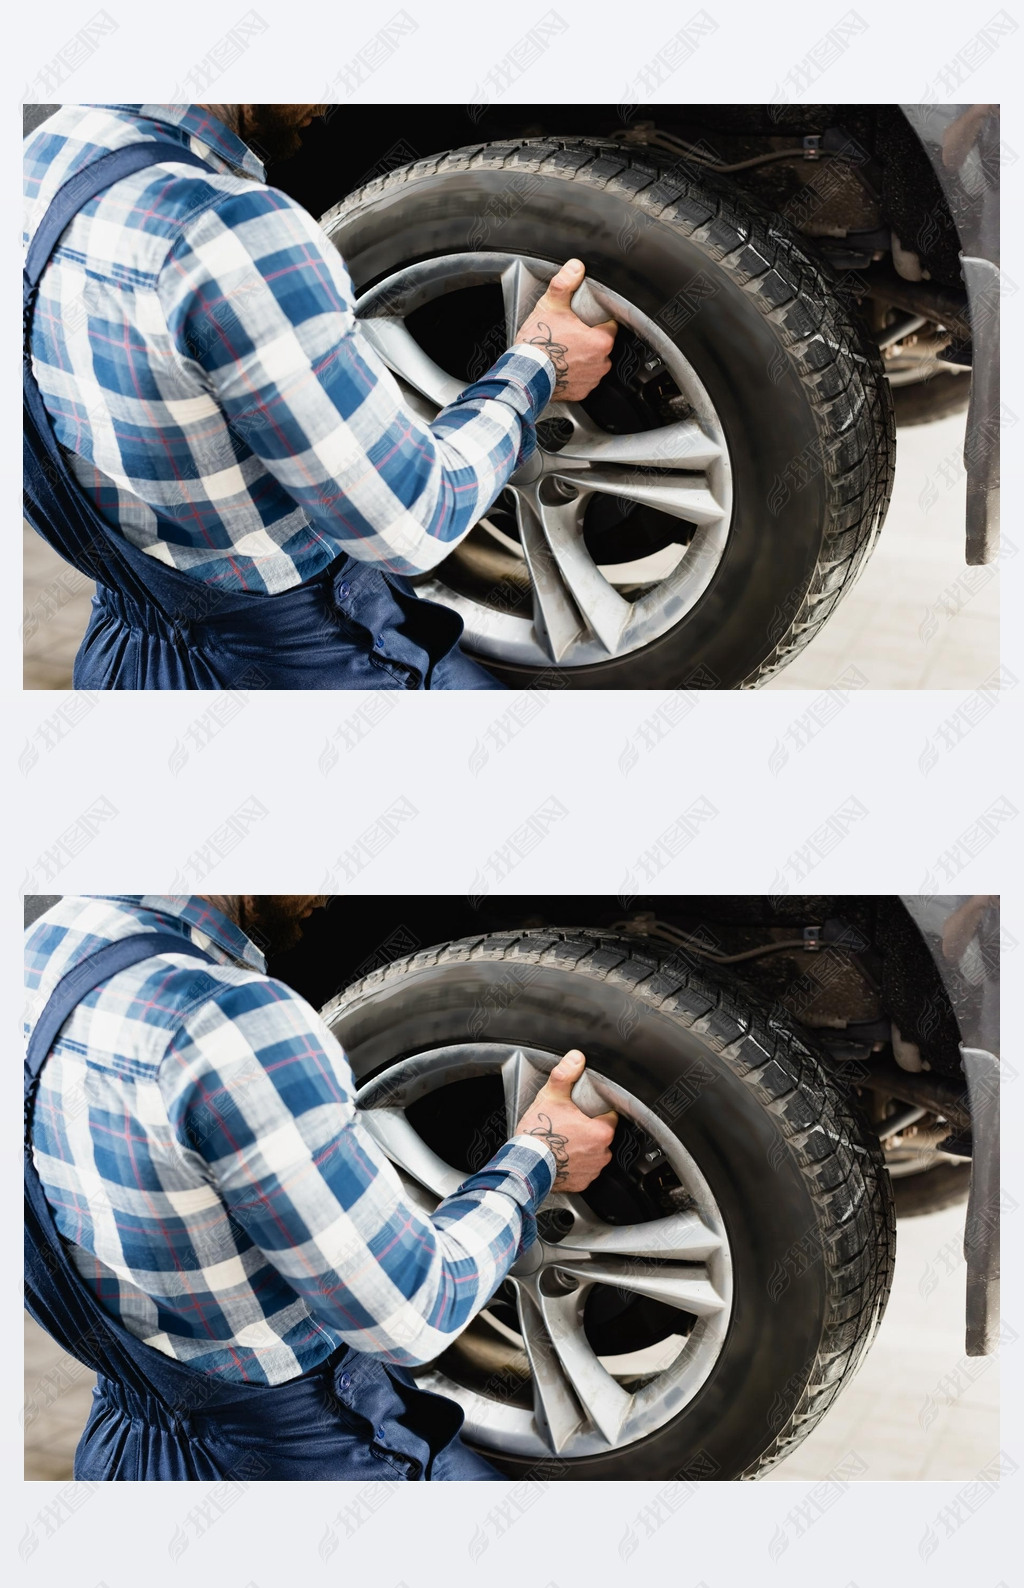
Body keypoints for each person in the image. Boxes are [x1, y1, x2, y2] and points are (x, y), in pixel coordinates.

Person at [23, 895, 618, 1480]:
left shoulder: (41, 950)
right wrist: (538, 1157)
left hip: (121, 1450)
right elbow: (414, 1314)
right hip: (309, 1458)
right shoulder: (229, 1023)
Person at [23, 105, 617, 689]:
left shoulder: (40, 159)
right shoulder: (229, 232)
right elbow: (413, 524)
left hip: (120, 659)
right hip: (307, 666)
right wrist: (537, 366)